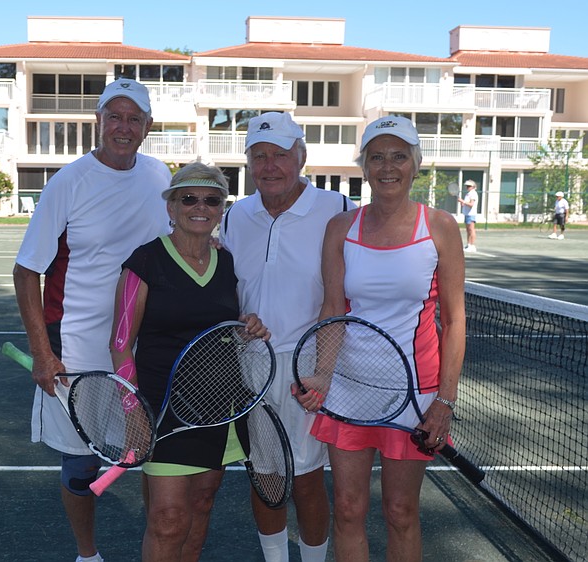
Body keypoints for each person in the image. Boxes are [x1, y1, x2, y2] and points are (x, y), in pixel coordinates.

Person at [13, 78, 170, 562]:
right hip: (77, 347)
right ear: (98, 122)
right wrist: (43, 353)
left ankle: (157, 549)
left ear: (147, 126)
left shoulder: (161, 175)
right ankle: (88, 555)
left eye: (134, 118)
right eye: (114, 117)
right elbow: (26, 270)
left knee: (153, 461)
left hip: (146, 346)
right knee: (80, 465)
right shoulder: (68, 182)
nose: (123, 127)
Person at [297, 115, 465, 561]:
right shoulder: (341, 228)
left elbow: (454, 319)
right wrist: (322, 376)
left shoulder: (441, 227)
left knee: (400, 510)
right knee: (349, 509)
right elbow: (333, 308)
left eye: (398, 156)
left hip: (416, 393)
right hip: (349, 391)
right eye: (376, 157)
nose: (387, 167)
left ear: (415, 164)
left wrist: (444, 401)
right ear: (364, 166)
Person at [110, 162, 269, 561]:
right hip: (162, 410)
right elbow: (120, 342)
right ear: (171, 206)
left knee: (201, 507)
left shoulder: (227, 262)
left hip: (219, 410)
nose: (201, 206)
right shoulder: (144, 261)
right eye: (189, 198)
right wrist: (133, 411)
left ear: (220, 209)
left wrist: (245, 325)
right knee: (166, 519)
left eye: (211, 199)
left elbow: (221, 325)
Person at [220, 111, 355, 562]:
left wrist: (324, 371)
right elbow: (228, 289)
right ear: (248, 163)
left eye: (280, 154)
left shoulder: (337, 209)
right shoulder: (236, 215)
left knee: (307, 479)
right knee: (266, 477)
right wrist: (239, 318)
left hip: (311, 368)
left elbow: (349, 291)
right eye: (259, 156)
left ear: (301, 156)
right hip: (250, 365)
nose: (270, 165)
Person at [457, 179, 478, 252]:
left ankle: (472, 245)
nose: (467, 187)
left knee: (471, 230)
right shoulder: (468, 194)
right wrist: (462, 203)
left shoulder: (473, 193)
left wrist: (462, 201)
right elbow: (465, 204)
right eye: (466, 186)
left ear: (473, 186)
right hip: (467, 214)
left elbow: (471, 204)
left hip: (471, 214)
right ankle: (468, 245)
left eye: (469, 186)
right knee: (468, 230)